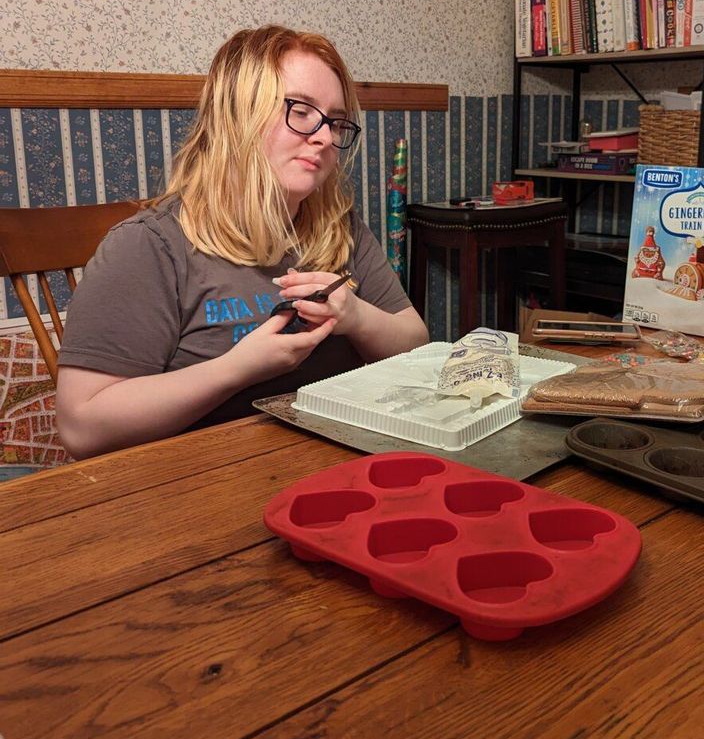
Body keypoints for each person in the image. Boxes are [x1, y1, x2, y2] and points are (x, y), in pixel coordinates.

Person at [56, 25, 429, 458]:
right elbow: (81, 427)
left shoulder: (337, 226)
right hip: (199, 487)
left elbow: (415, 345)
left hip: (329, 467)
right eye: (301, 111)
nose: (325, 137)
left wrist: (357, 316)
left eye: (335, 121)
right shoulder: (150, 246)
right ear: (238, 116)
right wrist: (238, 369)